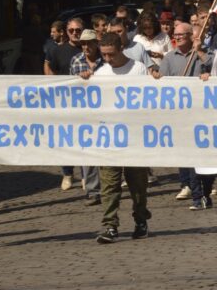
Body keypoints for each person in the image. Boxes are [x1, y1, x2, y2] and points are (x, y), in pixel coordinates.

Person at [92, 33, 151, 243]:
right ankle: (110, 225)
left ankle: (141, 219)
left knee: (138, 184)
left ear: (121, 49)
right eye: (104, 55)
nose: (108, 59)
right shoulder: (100, 73)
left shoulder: (138, 69)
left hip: (134, 137)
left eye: (111, 54)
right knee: (109, 184)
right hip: (109, 138)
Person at [158, 23, 215, 210]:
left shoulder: (205, 53)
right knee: (190, 157)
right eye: (175, 35)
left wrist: (199, 52)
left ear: (192, 36)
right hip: (181, 115)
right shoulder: (169, 57)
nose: (177, 37)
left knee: (204, 158)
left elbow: (213, 68)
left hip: (203, 112)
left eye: (181, 35)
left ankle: (206, 191)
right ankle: (197, 197)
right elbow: (162, 83)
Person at [45, 17, 83, 190]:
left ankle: (86, 174)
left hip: (86, 102)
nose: (75, 33)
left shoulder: (90, 48)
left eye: (78, 30)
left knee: (84, 137)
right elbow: (49, 68)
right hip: (65, 101)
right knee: (65, 138)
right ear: (67, 32)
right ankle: (68, 173)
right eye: (71, 30)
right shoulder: (58, 51)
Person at [70, 29, 104, 206]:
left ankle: (110, 187)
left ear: (96, 44)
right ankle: (93, 191)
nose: (86, 47)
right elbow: (71, 86)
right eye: (83, 43)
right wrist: (81, 80)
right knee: (88, 152)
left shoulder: (105, 60)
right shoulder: (76, 60)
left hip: (106, 111)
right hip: (85, 113)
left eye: (89, 43)